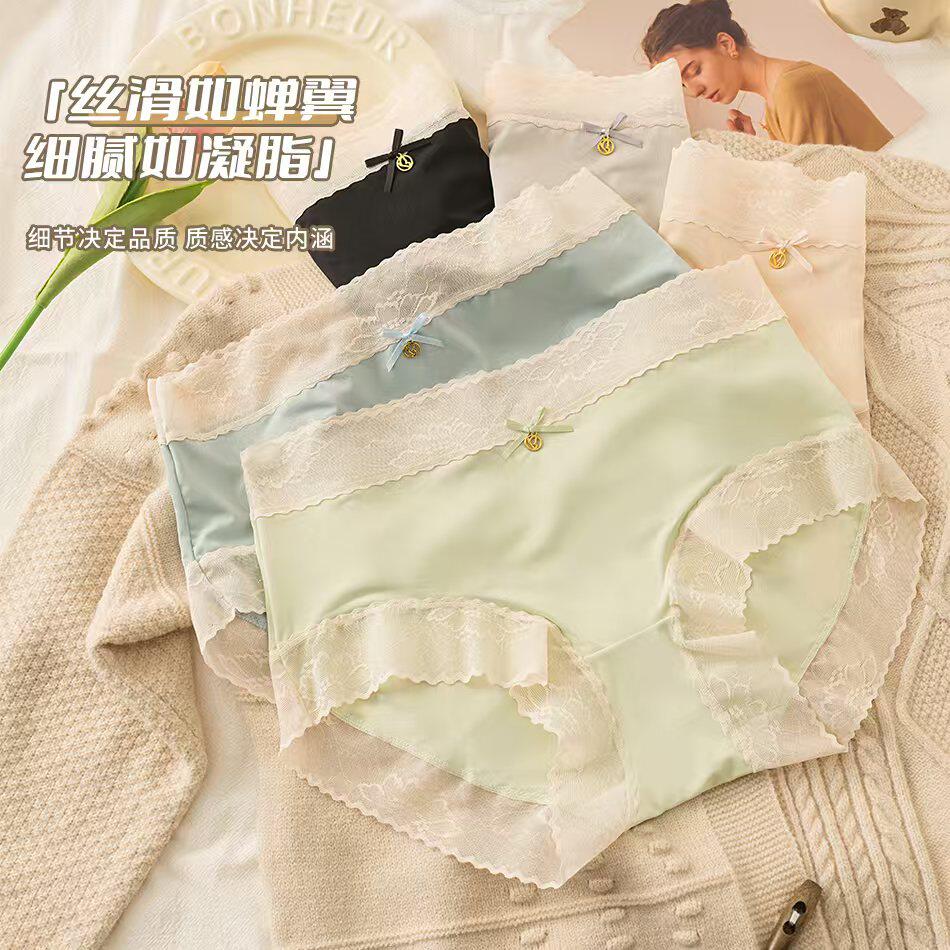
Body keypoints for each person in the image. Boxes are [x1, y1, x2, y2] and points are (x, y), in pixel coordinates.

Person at [641, 0, 893, 150]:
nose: (695, 91)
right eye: (684, 85)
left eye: (694, 71)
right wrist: (757, 148)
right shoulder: (777, 97)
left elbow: (814, 195)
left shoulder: (794, 88)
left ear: (726, 44)